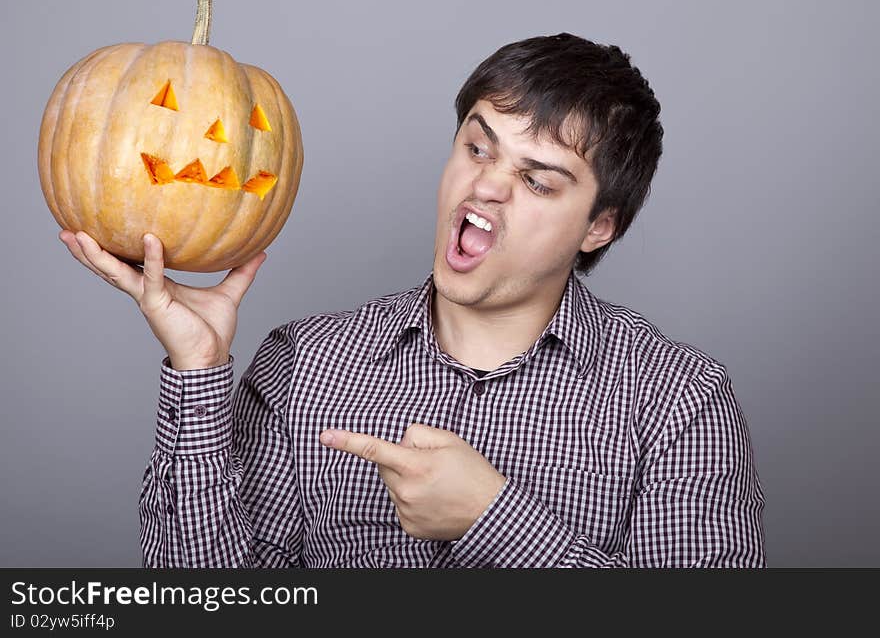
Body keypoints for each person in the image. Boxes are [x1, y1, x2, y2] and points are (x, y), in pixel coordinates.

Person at [60, 33, 766, 568]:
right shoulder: (303, 364)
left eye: (539, 181)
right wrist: (199, 368)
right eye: (479, 149)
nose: (487, 185)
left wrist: (493, 517)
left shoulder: (680, 399)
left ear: (599, 226)